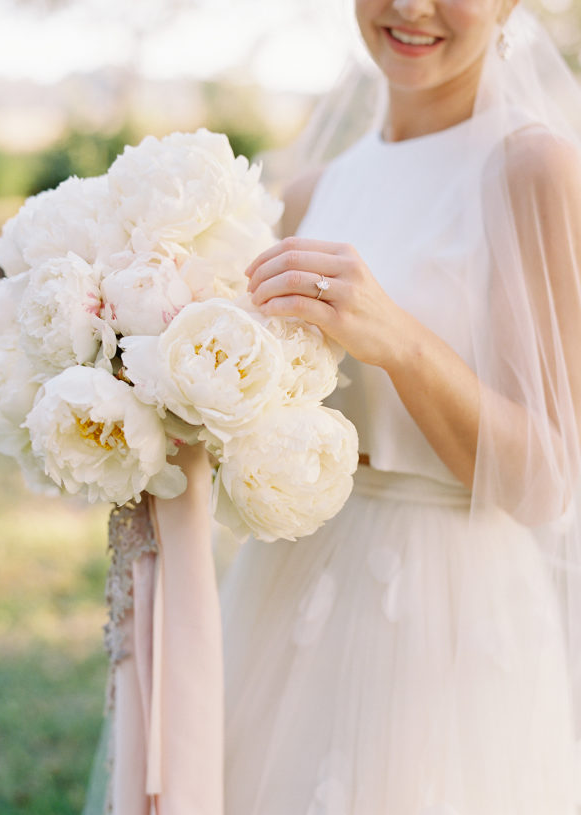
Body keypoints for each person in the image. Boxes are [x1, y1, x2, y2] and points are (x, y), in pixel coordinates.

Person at [219, 0, 581, 813]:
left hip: (445, 605)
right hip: (290, 581)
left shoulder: (533, 169)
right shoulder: (314, 188)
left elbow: (546, 483)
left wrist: (404, 342)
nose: (412, 8)